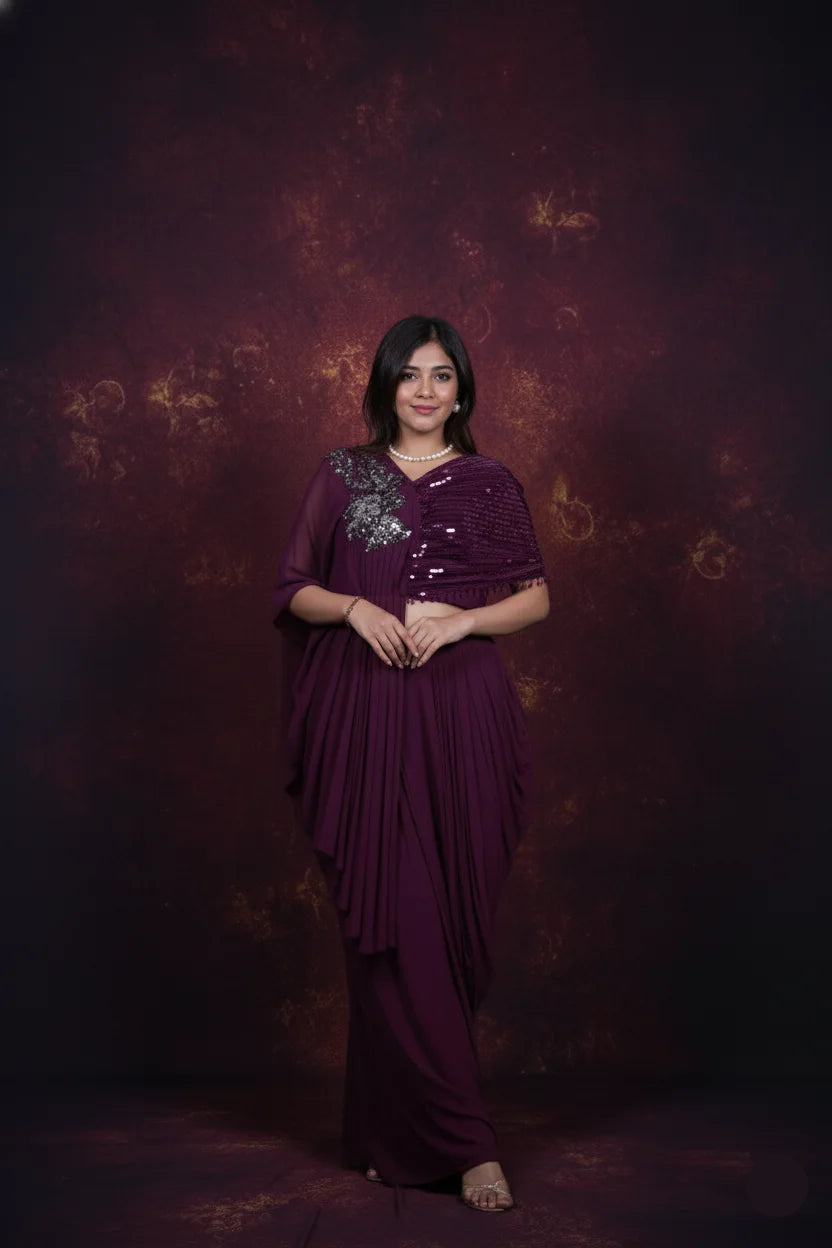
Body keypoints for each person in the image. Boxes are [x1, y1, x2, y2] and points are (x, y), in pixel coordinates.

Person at [270, 315, 549, 1212]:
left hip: (463, 719)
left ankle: (391, 1133)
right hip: (365, 716)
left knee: (450, 924)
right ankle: (468, 1147)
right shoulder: (342, 475)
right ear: (385, 385)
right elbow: (292, 588)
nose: (425, 391)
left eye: (441, 375)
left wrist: (462, 622)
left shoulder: (489, 482)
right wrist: (355, 609)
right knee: (394, 921)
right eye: (409, 374)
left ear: (461, 391)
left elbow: (535, 599)